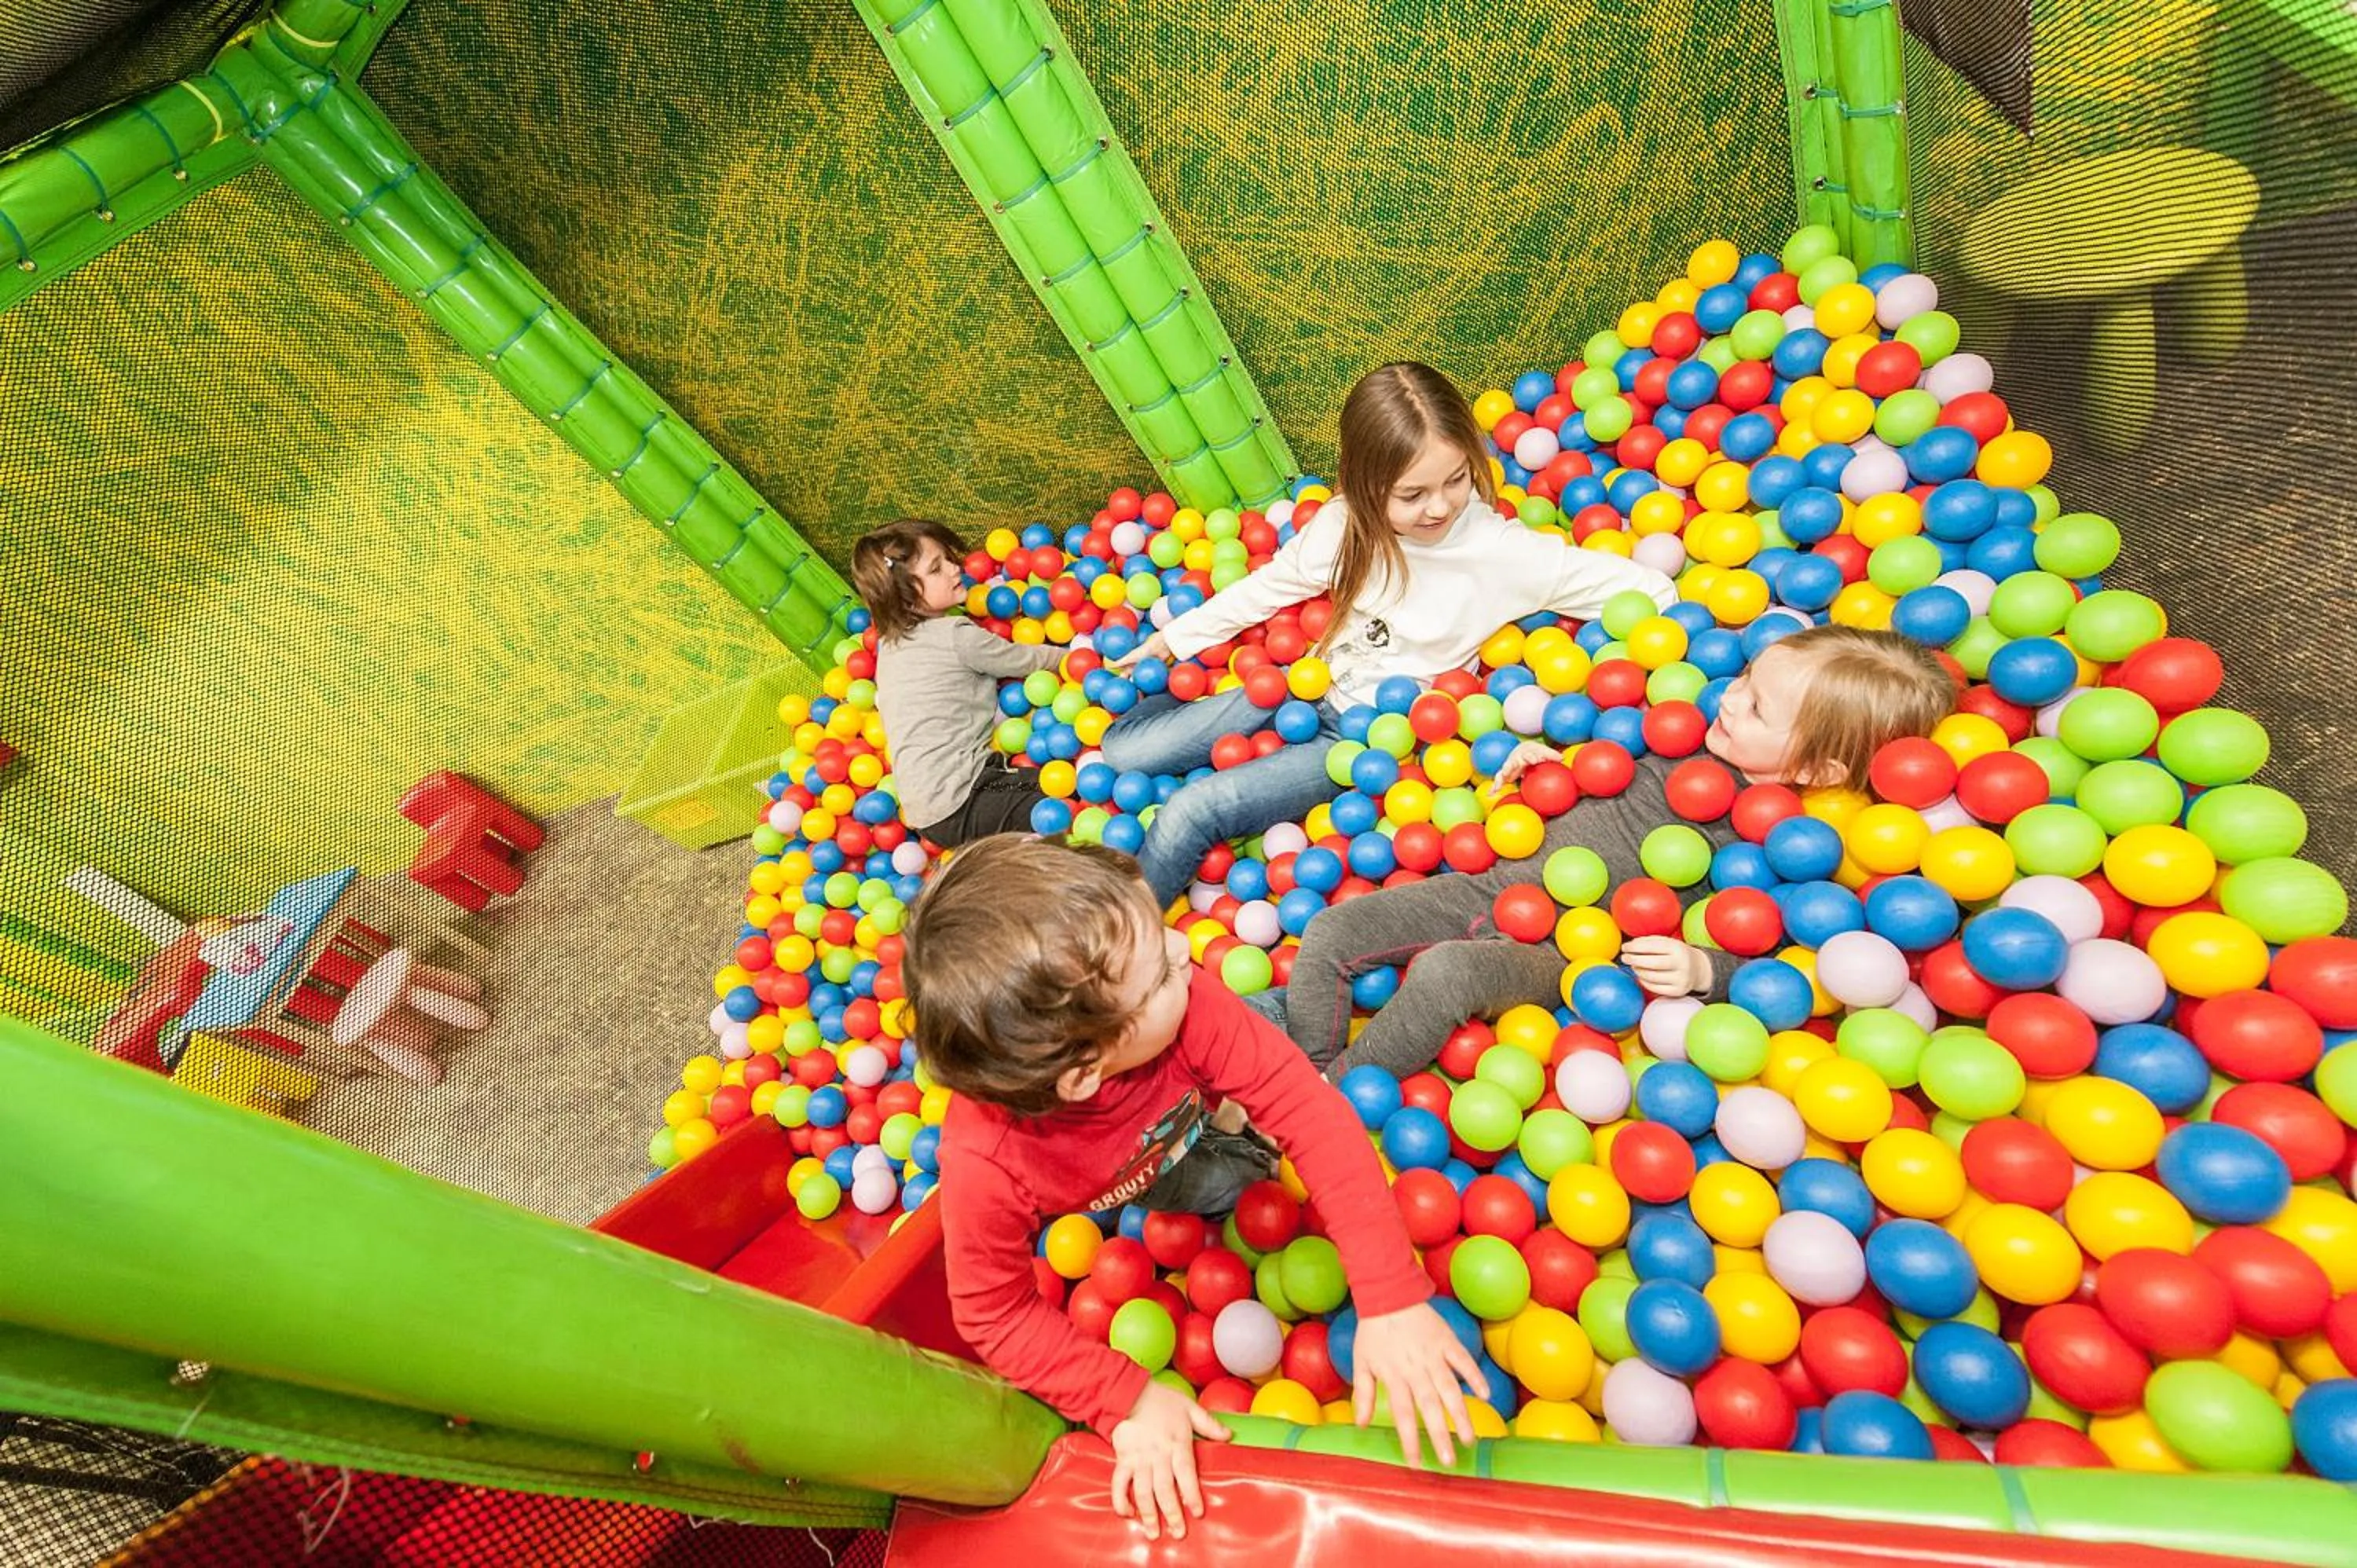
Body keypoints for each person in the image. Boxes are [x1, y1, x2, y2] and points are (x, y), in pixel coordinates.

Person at [904, 835, 1487, 1542]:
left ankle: (1248, 1062)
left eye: (1161, 930)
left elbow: (1304, 1107)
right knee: (1220, 1181)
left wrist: (1390, 1296)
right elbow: (993, 1312)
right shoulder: (988, 1163)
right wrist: (1126, 1399)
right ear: (1085, 1069)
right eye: (1155, 976)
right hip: (1141, 1165)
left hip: (1188, 1087)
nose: (1185, 950)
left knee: (1256, 1109)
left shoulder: (1189, 1003)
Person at [1260, 625, 1958, 1080]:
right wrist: (1550, 767)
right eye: (1744, 679)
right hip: (1494, 886)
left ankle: (1336, 1098)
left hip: (1573, 954)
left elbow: (1773, 953)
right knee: (1332, 928)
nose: (1732, 700)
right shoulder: (1676, 734)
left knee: (1447, 974)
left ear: (1822, 771)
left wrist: (1698, 969)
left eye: (1759, 710)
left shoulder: (1785, 843)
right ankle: (1311, 1067)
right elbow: (1605, 777)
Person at [1102, 361, 1677, 908]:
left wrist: (1569, 713)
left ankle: (1124, 949)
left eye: (1456, 481)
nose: (1440, 507)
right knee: (1120, 750)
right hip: (1301, 689)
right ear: (1365, 481)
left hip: (1366, 741)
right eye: (1411, 495)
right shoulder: (1342, 526)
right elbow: (1272, 585)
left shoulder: (1503, 554)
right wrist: (1174, 642)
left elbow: (1655, 595)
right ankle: (1177, 713)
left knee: (1190, 810)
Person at [852, 518, 1065, 848]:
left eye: (948, 558)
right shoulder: (955, 635)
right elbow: (1023, 660)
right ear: (906, 597)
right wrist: (1075, 655)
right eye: (936, 569)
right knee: (1064, 791)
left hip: (926, 814)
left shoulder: (890, 646)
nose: (954, 568)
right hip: (972, 796)